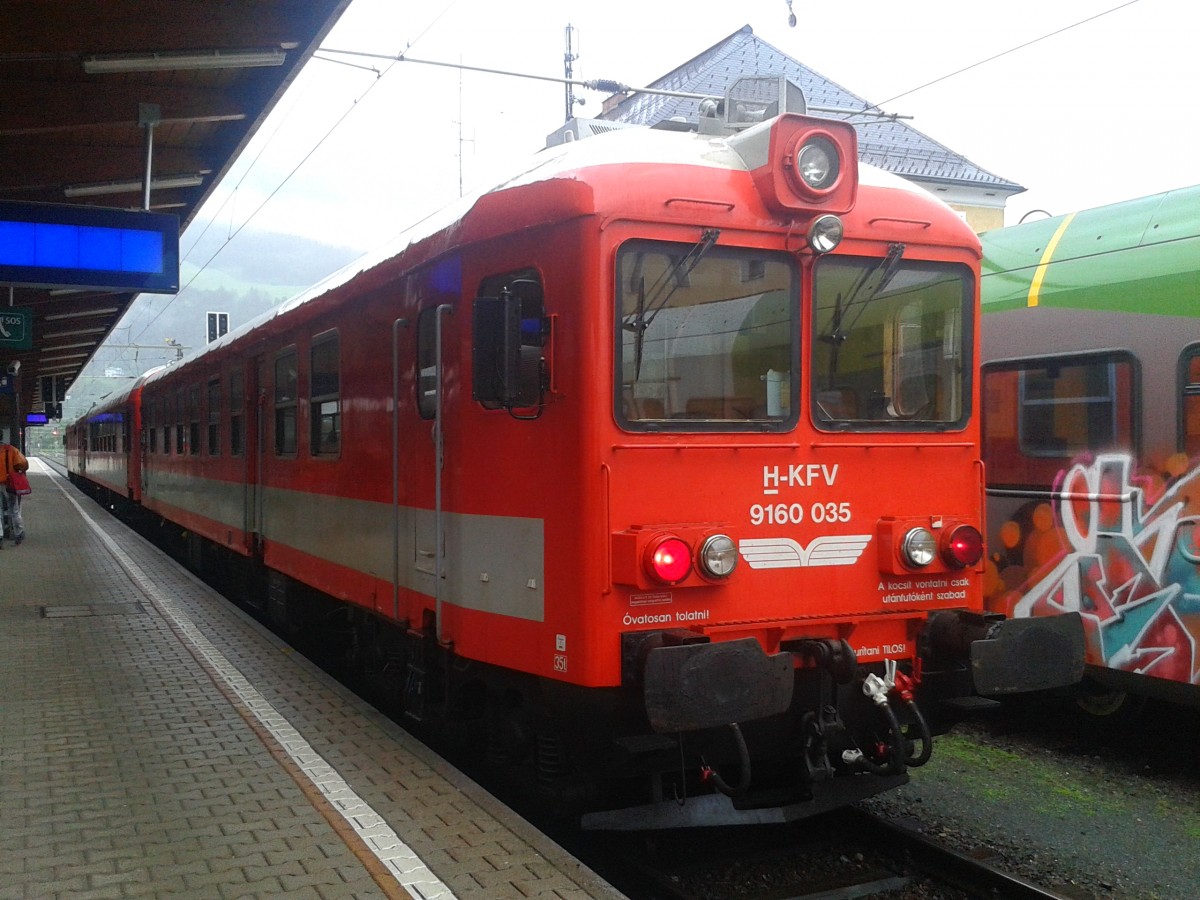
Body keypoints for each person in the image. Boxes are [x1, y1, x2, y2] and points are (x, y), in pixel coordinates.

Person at [0, 440, 29, 547]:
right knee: (14, 509)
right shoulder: (11, 449)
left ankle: (0, 536)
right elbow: (23, 463)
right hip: (9, 484)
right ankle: (19, 533)